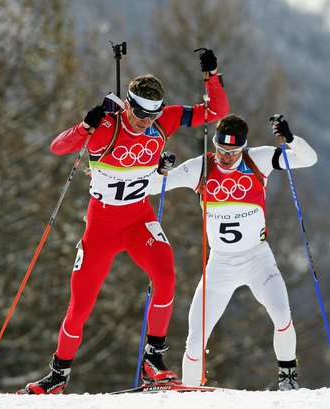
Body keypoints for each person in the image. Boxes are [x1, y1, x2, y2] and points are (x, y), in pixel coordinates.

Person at [17, 49, 229, 395]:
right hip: (101, 227)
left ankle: (153, 360)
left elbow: (216, 112)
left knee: (166, 277)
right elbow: (59, 147)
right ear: (127, 105)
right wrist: (85, 125)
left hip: (138, 219)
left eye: (153, 114)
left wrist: (213, 75)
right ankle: (57, 375)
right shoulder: (106, 129)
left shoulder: (165, 120)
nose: (146, 121)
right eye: (140, 113)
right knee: (80, 306)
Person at [150, 113, 317, 391]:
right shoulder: (201, 168)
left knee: (282, 315)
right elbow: (156, 188)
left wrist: (290, 140)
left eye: (233, 152)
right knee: (196, 337)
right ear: (214, 144)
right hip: (220, 266)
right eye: (221, 150)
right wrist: (161, 169)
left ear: (244, 147)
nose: (226, 157)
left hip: (258, 259)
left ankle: (288, 379)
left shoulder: (258, 159)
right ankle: (191, 392)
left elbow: (308, 159)